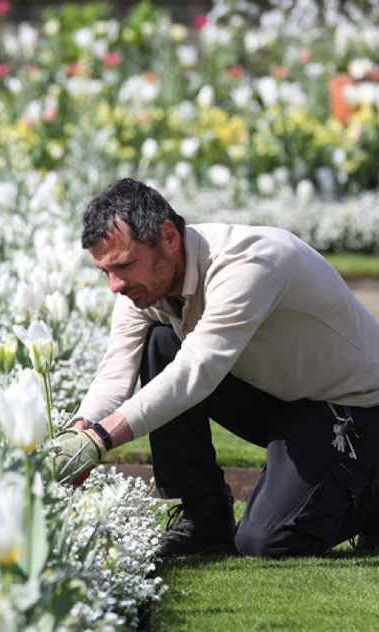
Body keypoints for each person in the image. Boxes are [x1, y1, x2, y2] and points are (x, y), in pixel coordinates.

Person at [53, 178, 379, 558]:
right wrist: (78, 431)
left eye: (124, 265)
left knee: (265, 542)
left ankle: (371, 497)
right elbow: (114, 375)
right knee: (161, 343)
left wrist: (99, 440)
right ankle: (203, 516)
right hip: (286, 397)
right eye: (105, 271)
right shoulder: (142, 288)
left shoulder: (248, 263)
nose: (115, 285)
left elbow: (197, 371)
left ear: (169, 237)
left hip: (354, 408)